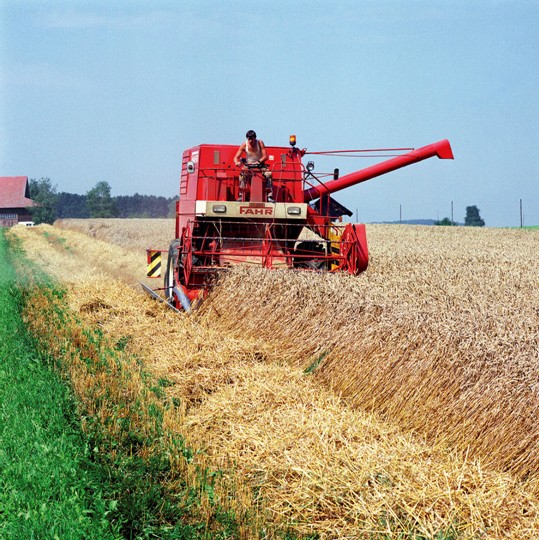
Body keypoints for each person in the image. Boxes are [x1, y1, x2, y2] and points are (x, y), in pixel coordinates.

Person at [234, 130, 274, 202]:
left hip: (260, 165)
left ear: (255, 138)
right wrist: (237, 162)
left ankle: (269, 196)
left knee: (269, 174)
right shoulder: (244, 145)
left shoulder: (260, 143)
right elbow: (236, 157)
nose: (250, 141)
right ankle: (241, 195)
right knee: (242, 175)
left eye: (251, 139)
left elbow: (265, 156)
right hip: (248, 165)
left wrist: (257, 162)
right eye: (249, 139)